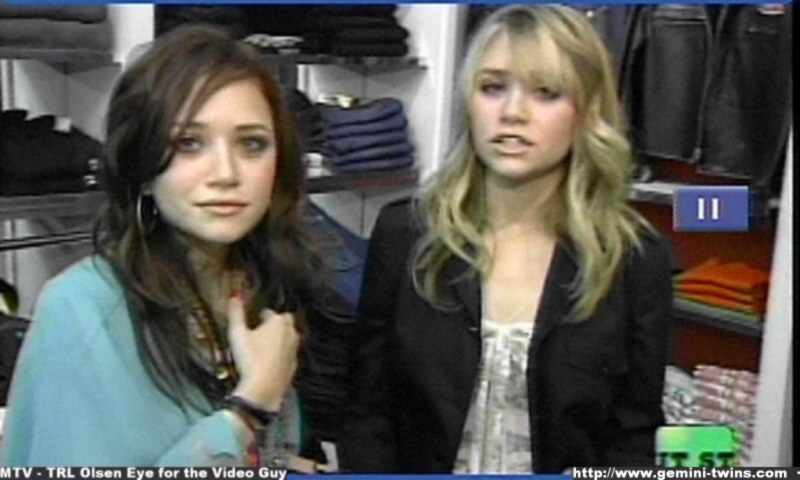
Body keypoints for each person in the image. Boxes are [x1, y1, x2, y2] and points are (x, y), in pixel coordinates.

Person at [339, 4, 674, 473]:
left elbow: (633, 437)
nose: (513, 113)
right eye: (493, 88)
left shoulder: (633, 259)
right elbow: (368, 412)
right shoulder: (406, 235)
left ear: (585, 110)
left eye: (546, 92)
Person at [0, 25, 325, 468]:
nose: (226, 173)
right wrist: (249, 408)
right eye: (189, 144)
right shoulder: (84, 308)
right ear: (143, 167)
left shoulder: (259, 289)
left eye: (252, 144)